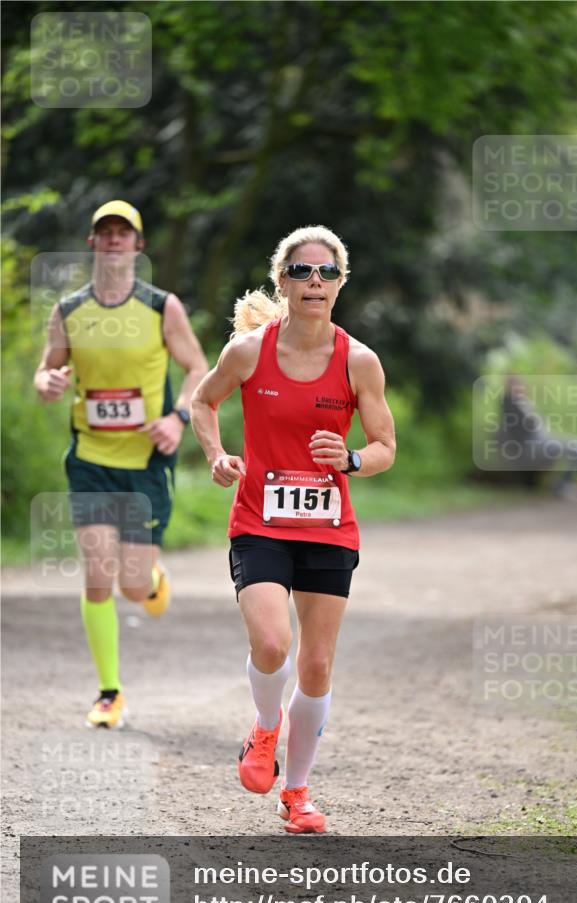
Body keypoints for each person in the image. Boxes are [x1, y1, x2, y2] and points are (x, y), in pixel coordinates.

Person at [191, 225, 396, 833]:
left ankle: (298, 793)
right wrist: (217, 455)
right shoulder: (250, 352)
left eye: (327, 273)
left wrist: (352, 459)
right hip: (260, 521)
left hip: (329, 529)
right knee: (274, 644)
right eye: (303, 272)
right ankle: (264, 727)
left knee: (317, 667)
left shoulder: (359, 361)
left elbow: (385, 446)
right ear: (282, 281)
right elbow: (204, 402)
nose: (315, 281)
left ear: (340, 285)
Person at [34, 199, 208, 729]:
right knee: (96, 574)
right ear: (92, 242)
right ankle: (110, 693)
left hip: (145, 466)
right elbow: (46, 373)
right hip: (90, 460)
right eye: (104, 232)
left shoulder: (162, 308)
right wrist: (50, 382)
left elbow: (198, 366)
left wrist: (178, 417)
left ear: (139, 245)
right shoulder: (68, 311)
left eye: (122, 233)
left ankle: (150, 581)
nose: (113, 240)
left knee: (134, 586)